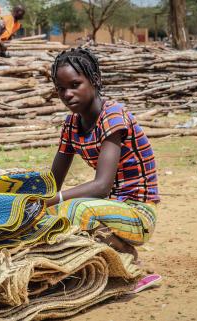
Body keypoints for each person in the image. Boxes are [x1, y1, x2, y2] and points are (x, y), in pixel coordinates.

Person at [46, 48, 159, 261]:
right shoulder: (71, 125)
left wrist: (54, 200)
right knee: (48, 214)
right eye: (61, 89)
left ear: (95, 80)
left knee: (75, 210)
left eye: (75, 85)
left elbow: (101, 186)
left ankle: (127, 259)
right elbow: (52, 184)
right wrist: (31, 201)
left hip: (138, 213)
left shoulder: (113, 117)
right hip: (109, 207)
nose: (67, 94)